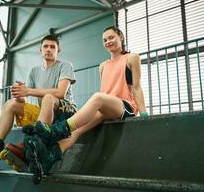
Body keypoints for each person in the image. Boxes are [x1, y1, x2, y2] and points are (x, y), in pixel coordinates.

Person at [22, 26, 148, 174]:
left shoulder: (132, 58)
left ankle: (57, 130)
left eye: (111, 37)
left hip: (125, 106)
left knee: (97, 97)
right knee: (76, 131)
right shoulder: (103, 66)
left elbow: (137, 87)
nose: (108, 41)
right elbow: (106, 92)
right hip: (105, 107)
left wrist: (144, 114)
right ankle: (49, 158)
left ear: (120, 37)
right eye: (105, 40)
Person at [0, 34, 77, 170]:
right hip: (45, 112)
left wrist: (28, 91)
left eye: (52, 47)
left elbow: (61, 93)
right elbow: (25, 96)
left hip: (66, 114)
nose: (49, 49)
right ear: (40, 50)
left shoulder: (65, 65)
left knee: (49, 97)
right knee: (11, 104)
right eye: (45, 46)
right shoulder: (34, 71)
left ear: (58, 50)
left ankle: (33, 145)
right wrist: (19, 94)